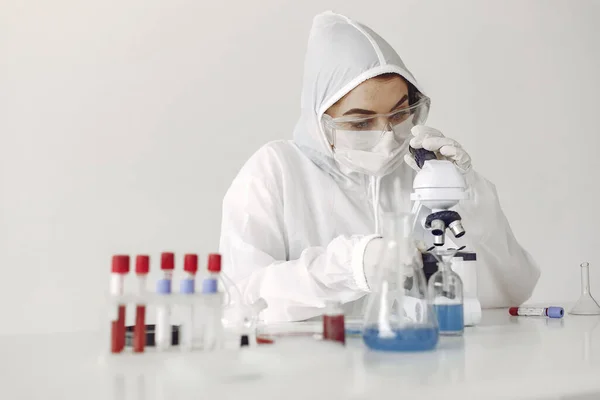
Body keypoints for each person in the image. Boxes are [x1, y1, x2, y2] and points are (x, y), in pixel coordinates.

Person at [219, 11, 540, 322]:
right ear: (320, 120)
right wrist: (350, 267)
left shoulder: (423, 173)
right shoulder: (277, 170)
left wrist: (468, 193)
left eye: (400, 114)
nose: (387, 137)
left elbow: (513, 292)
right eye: (361, 122)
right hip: (310, 370)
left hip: (419, 368)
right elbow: (242, 302)